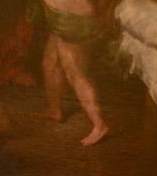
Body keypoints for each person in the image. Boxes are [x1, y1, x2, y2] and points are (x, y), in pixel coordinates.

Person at [34, 0, 109, 145]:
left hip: (71, 20)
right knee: (50, 62)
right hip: (61, 16)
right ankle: (55, 109)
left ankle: (100, 125)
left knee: (75, 74)